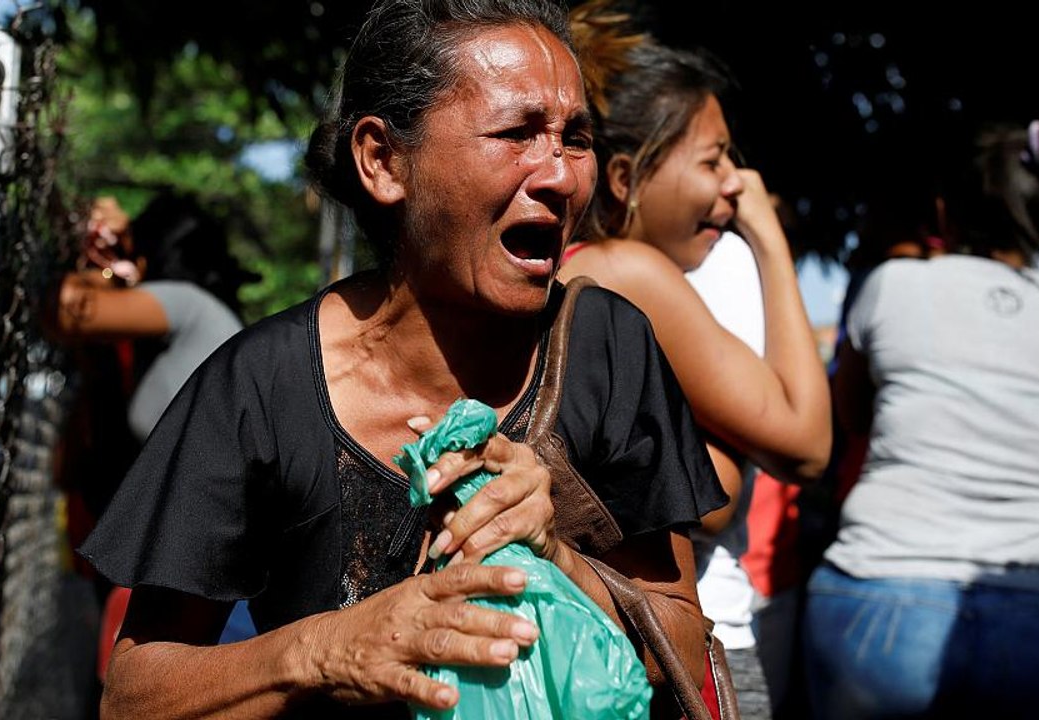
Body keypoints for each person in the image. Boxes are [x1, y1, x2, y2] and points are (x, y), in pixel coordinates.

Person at [77, 1, 726, 717]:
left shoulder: (607, 347)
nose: (562, 177)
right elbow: (133, 699)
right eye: (516, 133)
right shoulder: (258, 389)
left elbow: (680, 643)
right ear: (383, 162)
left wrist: (556, 555)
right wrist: (328, 650)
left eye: (575, 139)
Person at [803, 120, 1039, 719]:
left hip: (876, 597)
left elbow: (851, 416)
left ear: (943, 209)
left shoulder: (889, 286)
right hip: (1038, 614)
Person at [560, 11, 832, 719]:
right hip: (671, 644)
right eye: (713, 160)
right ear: (625, 177)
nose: (733, 187)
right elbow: (804, 444)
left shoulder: (563, 270)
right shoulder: (634, 273)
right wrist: (770, 241)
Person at [48, 191, 260, 676]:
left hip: (214, 586)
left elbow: (66, 307)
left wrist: (101, 271)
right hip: (193, 570)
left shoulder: (189, 306)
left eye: (132, 253)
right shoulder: (188, 338)